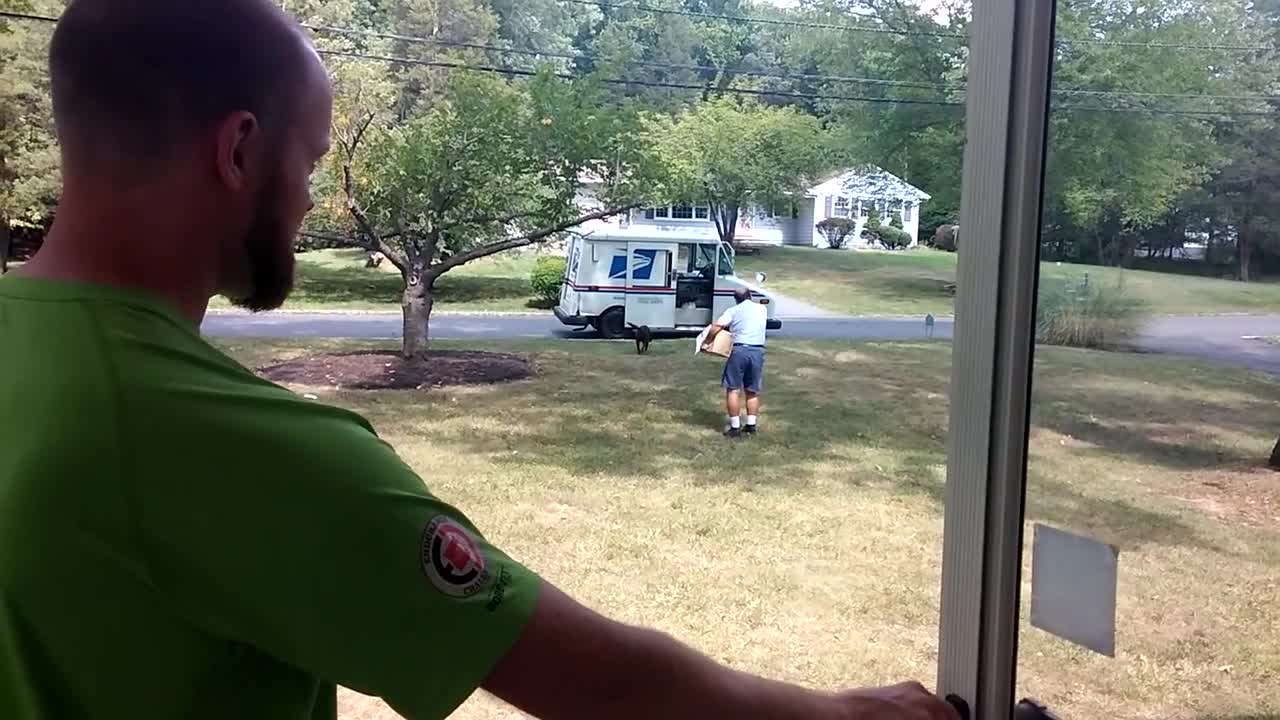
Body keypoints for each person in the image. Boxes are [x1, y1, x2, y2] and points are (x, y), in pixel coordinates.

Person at [0, 2, 960, 719]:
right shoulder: (212, 442)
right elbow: (606, 684)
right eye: (311, 161)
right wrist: (849, 715)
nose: (312, 202)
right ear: (240, 151)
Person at [705, 287, 770, 437]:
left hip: (739, 350)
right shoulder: (762, 309)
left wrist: (708, 341)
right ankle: (751, 425)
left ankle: (735, 427)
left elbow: (717, 326)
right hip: (758, 351)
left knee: (733, 389)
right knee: (752, 390)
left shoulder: (733, 311)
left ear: (736, 299)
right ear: (750, 296)